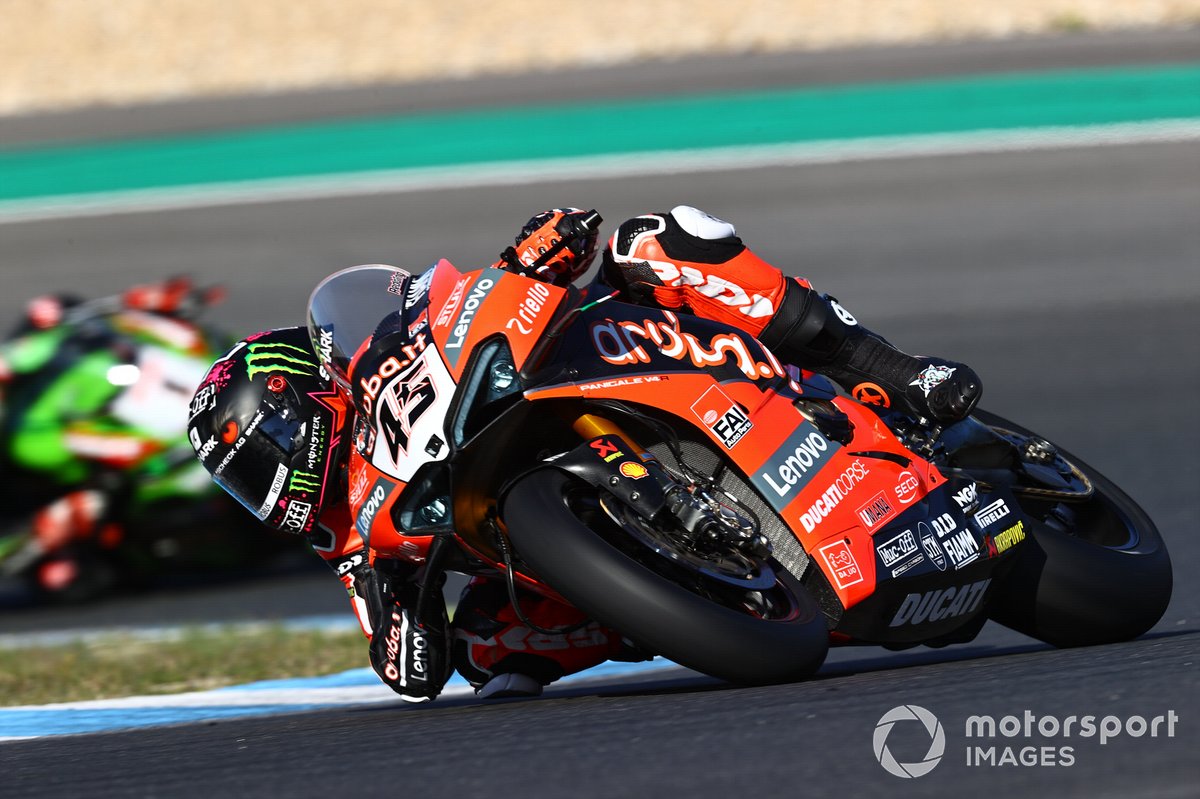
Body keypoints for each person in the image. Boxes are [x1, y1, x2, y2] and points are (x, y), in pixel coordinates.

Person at [187, 206, 982, 702]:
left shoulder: (384, 354)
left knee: (658, 240)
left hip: (615, 359)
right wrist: (408, 613)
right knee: (487, 647)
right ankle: (684, 592)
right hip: (548, 528)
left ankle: (896, 371)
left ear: (302, 402)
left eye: (261, 458)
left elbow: (521, 265)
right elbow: (410, 668)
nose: (266, 490)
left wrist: (539, 250)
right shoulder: (351, 534)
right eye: (244, 483)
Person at [0, 277, 232, 599]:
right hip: (107, 497)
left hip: (119, 378)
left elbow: (52, 313)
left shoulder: (15, 361)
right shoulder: (31, 451)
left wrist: (131, 303)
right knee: (64, 575)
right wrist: (58, 522)